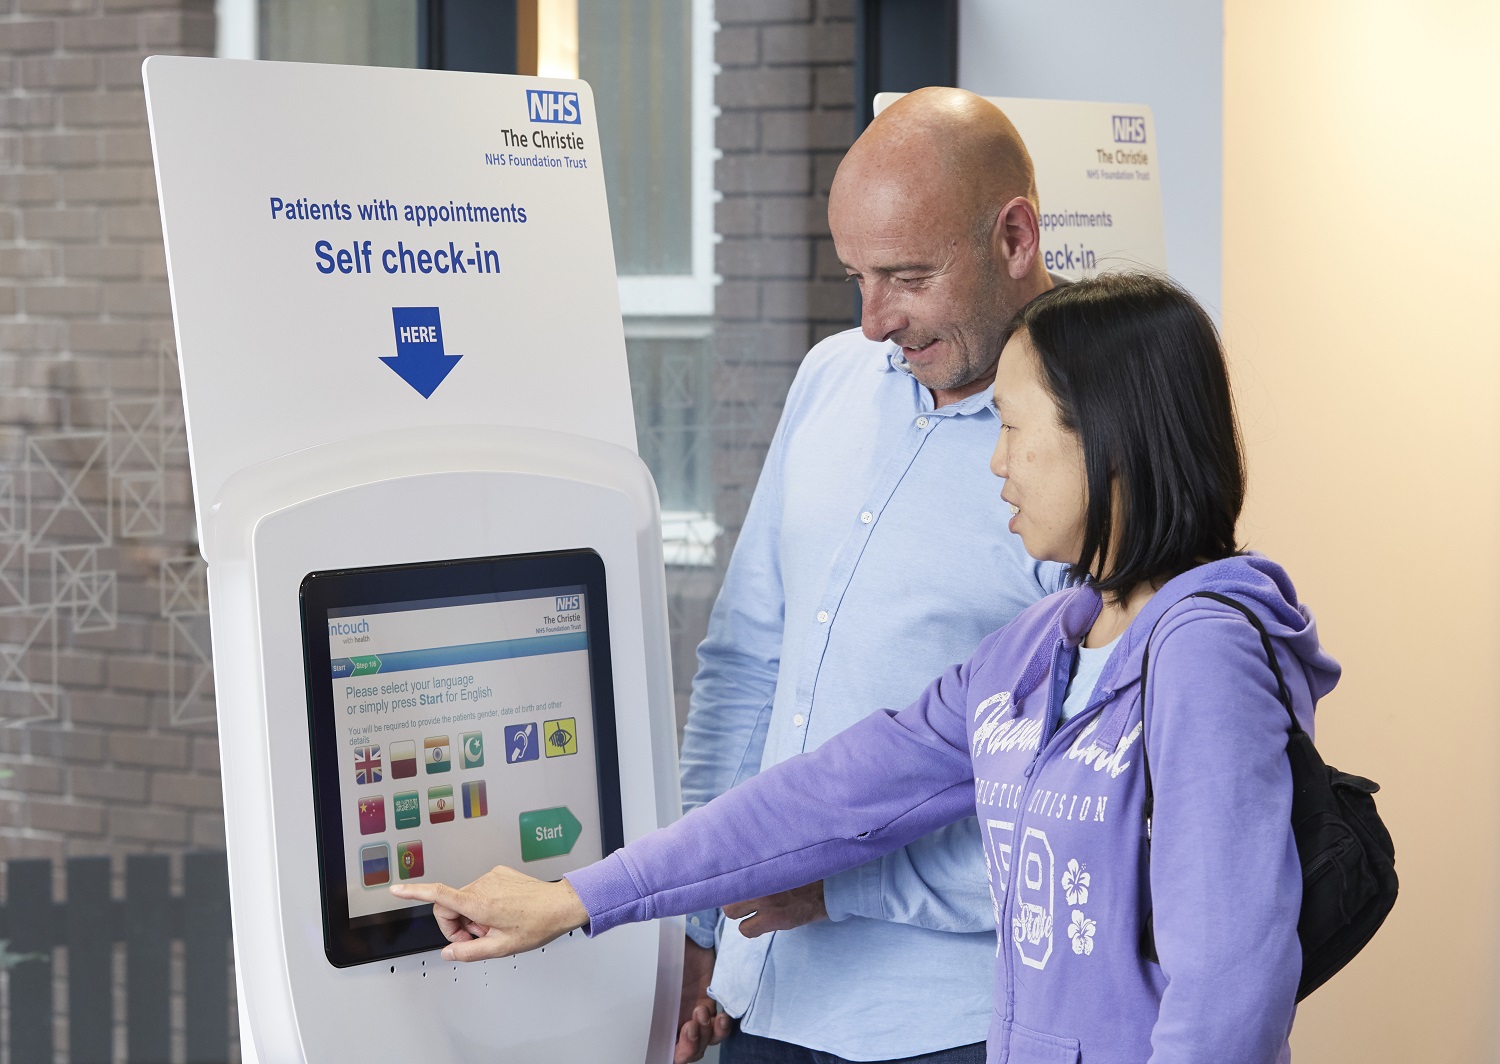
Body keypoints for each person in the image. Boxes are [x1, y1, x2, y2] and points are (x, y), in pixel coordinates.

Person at [393, 272, 1339, 1064]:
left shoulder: (1204, 654)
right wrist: (576, 899)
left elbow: (1226, 1001)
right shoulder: (1045, 642)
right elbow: (823, 798)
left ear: (1111, 438)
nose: (997, 465)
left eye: (1014, 429)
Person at [673, 85, 1063, 1064]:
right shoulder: (831, 376)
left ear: (1014, 237)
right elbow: (747, 664)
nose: (875, 318)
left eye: (906, 276)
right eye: (856, 275)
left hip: (951, 1025)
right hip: (762, 998)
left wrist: (835, 886)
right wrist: (693, 925)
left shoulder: (1094, 448)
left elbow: (1089, 814)